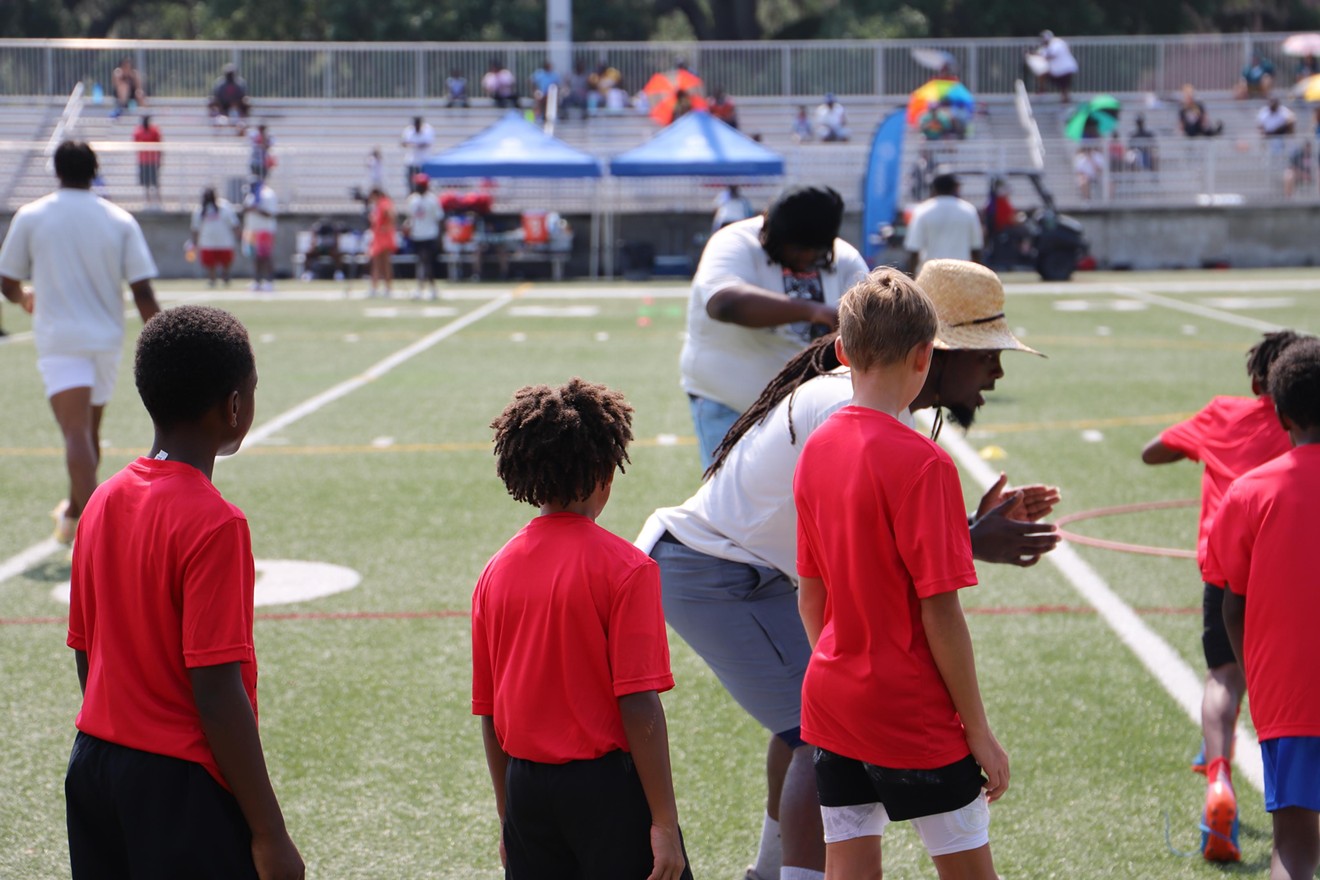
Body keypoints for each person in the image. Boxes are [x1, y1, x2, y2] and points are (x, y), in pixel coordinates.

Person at [642, 259, 1058, 880]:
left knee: (814, 740)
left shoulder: (840, 430)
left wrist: (963, 531)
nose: (995, 375)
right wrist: (979, 729)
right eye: (986, 355)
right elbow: (926, 594)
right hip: (722, 573)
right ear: (930, 352)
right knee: (806, 741)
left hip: (827, 670)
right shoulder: (896, 443)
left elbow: (841, 565)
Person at [64, 304, 304, 880]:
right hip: (179, 790)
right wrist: (270, 833)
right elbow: (216, 690)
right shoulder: (215, 523)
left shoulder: (102, 500)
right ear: (235, 407)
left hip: (94, 765)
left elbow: (84, 651)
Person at [793, 268, 1010, 879]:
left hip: (833, 701)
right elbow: (939, 611)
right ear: (925, 354)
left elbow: (811, 595)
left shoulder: (816, 447)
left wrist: (842, 673)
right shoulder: (925, 464)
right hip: (909, 713)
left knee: (850, 869)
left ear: (841, 352)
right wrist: (979, 731)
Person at [472, 378, 693, 880]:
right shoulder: (627, 569)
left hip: (527, 792)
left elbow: (488, 713)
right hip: (606, 794)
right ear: (603, 474)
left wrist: (509, 818)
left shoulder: (494, 573)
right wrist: (663, 822)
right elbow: (638, 702)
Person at [1141, 330, 1304, 862]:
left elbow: (1153, 452)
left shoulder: (1224, 414)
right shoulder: (1301, 430)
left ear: (1261, 384)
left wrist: (1205, 447)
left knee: (1223, 678)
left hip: (1230, 571)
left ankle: (1218, 782)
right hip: (1295, 575)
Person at [0, 141, 160, 544]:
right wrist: (162, 338)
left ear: (56, 170)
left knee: (76, 435)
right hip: (107, 339)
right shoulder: (118, 218)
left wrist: (24, 298)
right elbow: (142, 290)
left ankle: (97, 540)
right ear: (95, 170)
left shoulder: (33, 215)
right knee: (88, 434)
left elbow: (7, 280)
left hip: (61, 339)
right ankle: (73, 513)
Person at [1209, 337, 1320, 880]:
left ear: (1280, 412)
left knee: (1294, 851)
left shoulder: (1250, 492)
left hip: (1291, 696)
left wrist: (1257, 677)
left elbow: (1233, 603)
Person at [680, 184, 869, 469]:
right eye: (792, 248)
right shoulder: (734, 241)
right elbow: (723, 303)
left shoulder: (844, 258)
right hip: (730, 402)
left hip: (809, 410)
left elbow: (873, 318)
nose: (802, 258)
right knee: (733, 506)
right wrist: (815, 311)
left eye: (810, 251)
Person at [904, 173, 983, 276]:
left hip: (931, 274)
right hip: (961, 274)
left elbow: (914, 249)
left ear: (934, 189)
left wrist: (911, 280)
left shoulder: (922, 211)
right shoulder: (968, 210)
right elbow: (976, 248)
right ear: (955, 188)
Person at [190, 187, 241, 288]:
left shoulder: (224, 207)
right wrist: (194, 242)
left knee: (226, 262)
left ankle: (225, 277)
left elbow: (234, 224)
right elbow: (195, 227)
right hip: (207, 242)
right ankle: (212, 279)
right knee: (210, 263)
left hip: (224, 241)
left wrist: (239, 235)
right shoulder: (200, 210)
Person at [404, 173, 442, 300]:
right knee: (422, 261)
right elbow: (410, 218)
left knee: (426, 262)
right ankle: (427, 288)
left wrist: (439, 237)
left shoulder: (432, 199)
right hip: (417, 235)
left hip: (430, 235)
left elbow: (439, 218)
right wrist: (407, 226)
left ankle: (426, 288)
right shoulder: (412, 199)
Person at [241, 178, 278, 292]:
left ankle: (269, 281)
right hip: (252, 230)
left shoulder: (268, 195)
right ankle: (257, 281)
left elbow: (270, 213)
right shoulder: (250, 195)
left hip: (265, 230)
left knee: (265, 257)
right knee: (255, 258)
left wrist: (256, 209)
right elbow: (246, 210)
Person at [366, 187, 397, 298]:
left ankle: (384, 288)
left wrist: (386, 226)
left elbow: (391, 215)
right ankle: (379, 287)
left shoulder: (384, 203)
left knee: (382, 263)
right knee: (379, 263)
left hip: (383, 237)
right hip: (379, 237)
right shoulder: (379, 205)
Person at [1034, 30, 1078, 103]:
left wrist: (1042, 56)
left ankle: (1065, 99)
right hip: (1057, 71)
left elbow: (1052, 54)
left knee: (1064, 86)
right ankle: (1042, 90)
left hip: (1066, 69)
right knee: (1042, 74)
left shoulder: (1057, 43)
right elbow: (1041, 53)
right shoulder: (1046, 46)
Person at [133, 115, 163, 207]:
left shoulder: (154, 130)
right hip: (143, 161)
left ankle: (158, 200)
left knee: (155, 181)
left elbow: (159, 143)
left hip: (153, 161)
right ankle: (148, 200)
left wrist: (160, 158)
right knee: (146, 182)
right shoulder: (139, 131)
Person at [400, 116, 435, 186]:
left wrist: (414, 144)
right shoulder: (409, 131)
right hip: (411, 162)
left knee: (423, 184)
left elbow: (427, 143)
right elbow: (403, 143)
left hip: (424, 162)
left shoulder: (428, 130)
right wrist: (415, 145)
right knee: (411, 183)